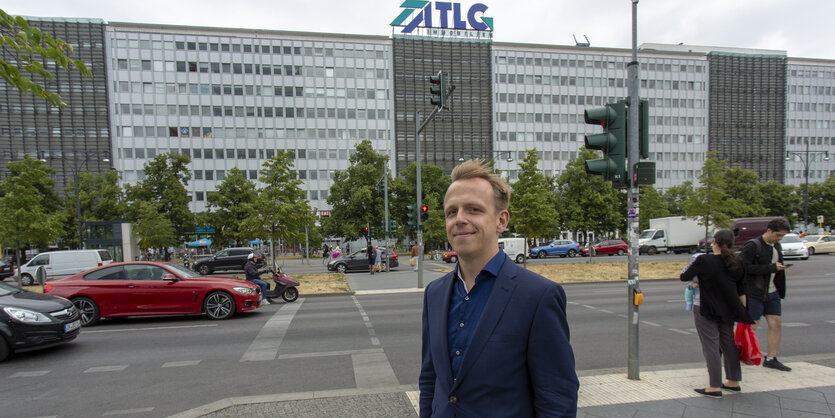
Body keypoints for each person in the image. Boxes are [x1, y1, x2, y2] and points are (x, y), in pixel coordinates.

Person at [419, 159, 578, 417]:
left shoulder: (538, 296)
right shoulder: (434, 294)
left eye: (473, 209)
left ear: (501, 220)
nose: (459, 219)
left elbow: (557, 398)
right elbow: (429, 380)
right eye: (451, 211)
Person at [681, 229, 753, 397]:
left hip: (707, 308)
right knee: (728, 343)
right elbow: (741, 289)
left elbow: (684, 276)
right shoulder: (737, 262)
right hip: (730, 308)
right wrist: (744, 314)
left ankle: (714, 385)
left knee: (711, 345)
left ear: (714, 241)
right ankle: (733, 381)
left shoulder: (704, 260)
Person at [739, 218, 792, 371]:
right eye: (778, 235)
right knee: (752, 325)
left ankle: (771, 358)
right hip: (754, 291)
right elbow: (745, 268)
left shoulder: (776, 246)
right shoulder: (753, 245)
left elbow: (774, 267)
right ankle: (735, 352)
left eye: (782, 236)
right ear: (769, 230)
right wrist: (772, 268)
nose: (779, 238)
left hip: (771, 290)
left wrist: (777, 270)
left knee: (776, 322)